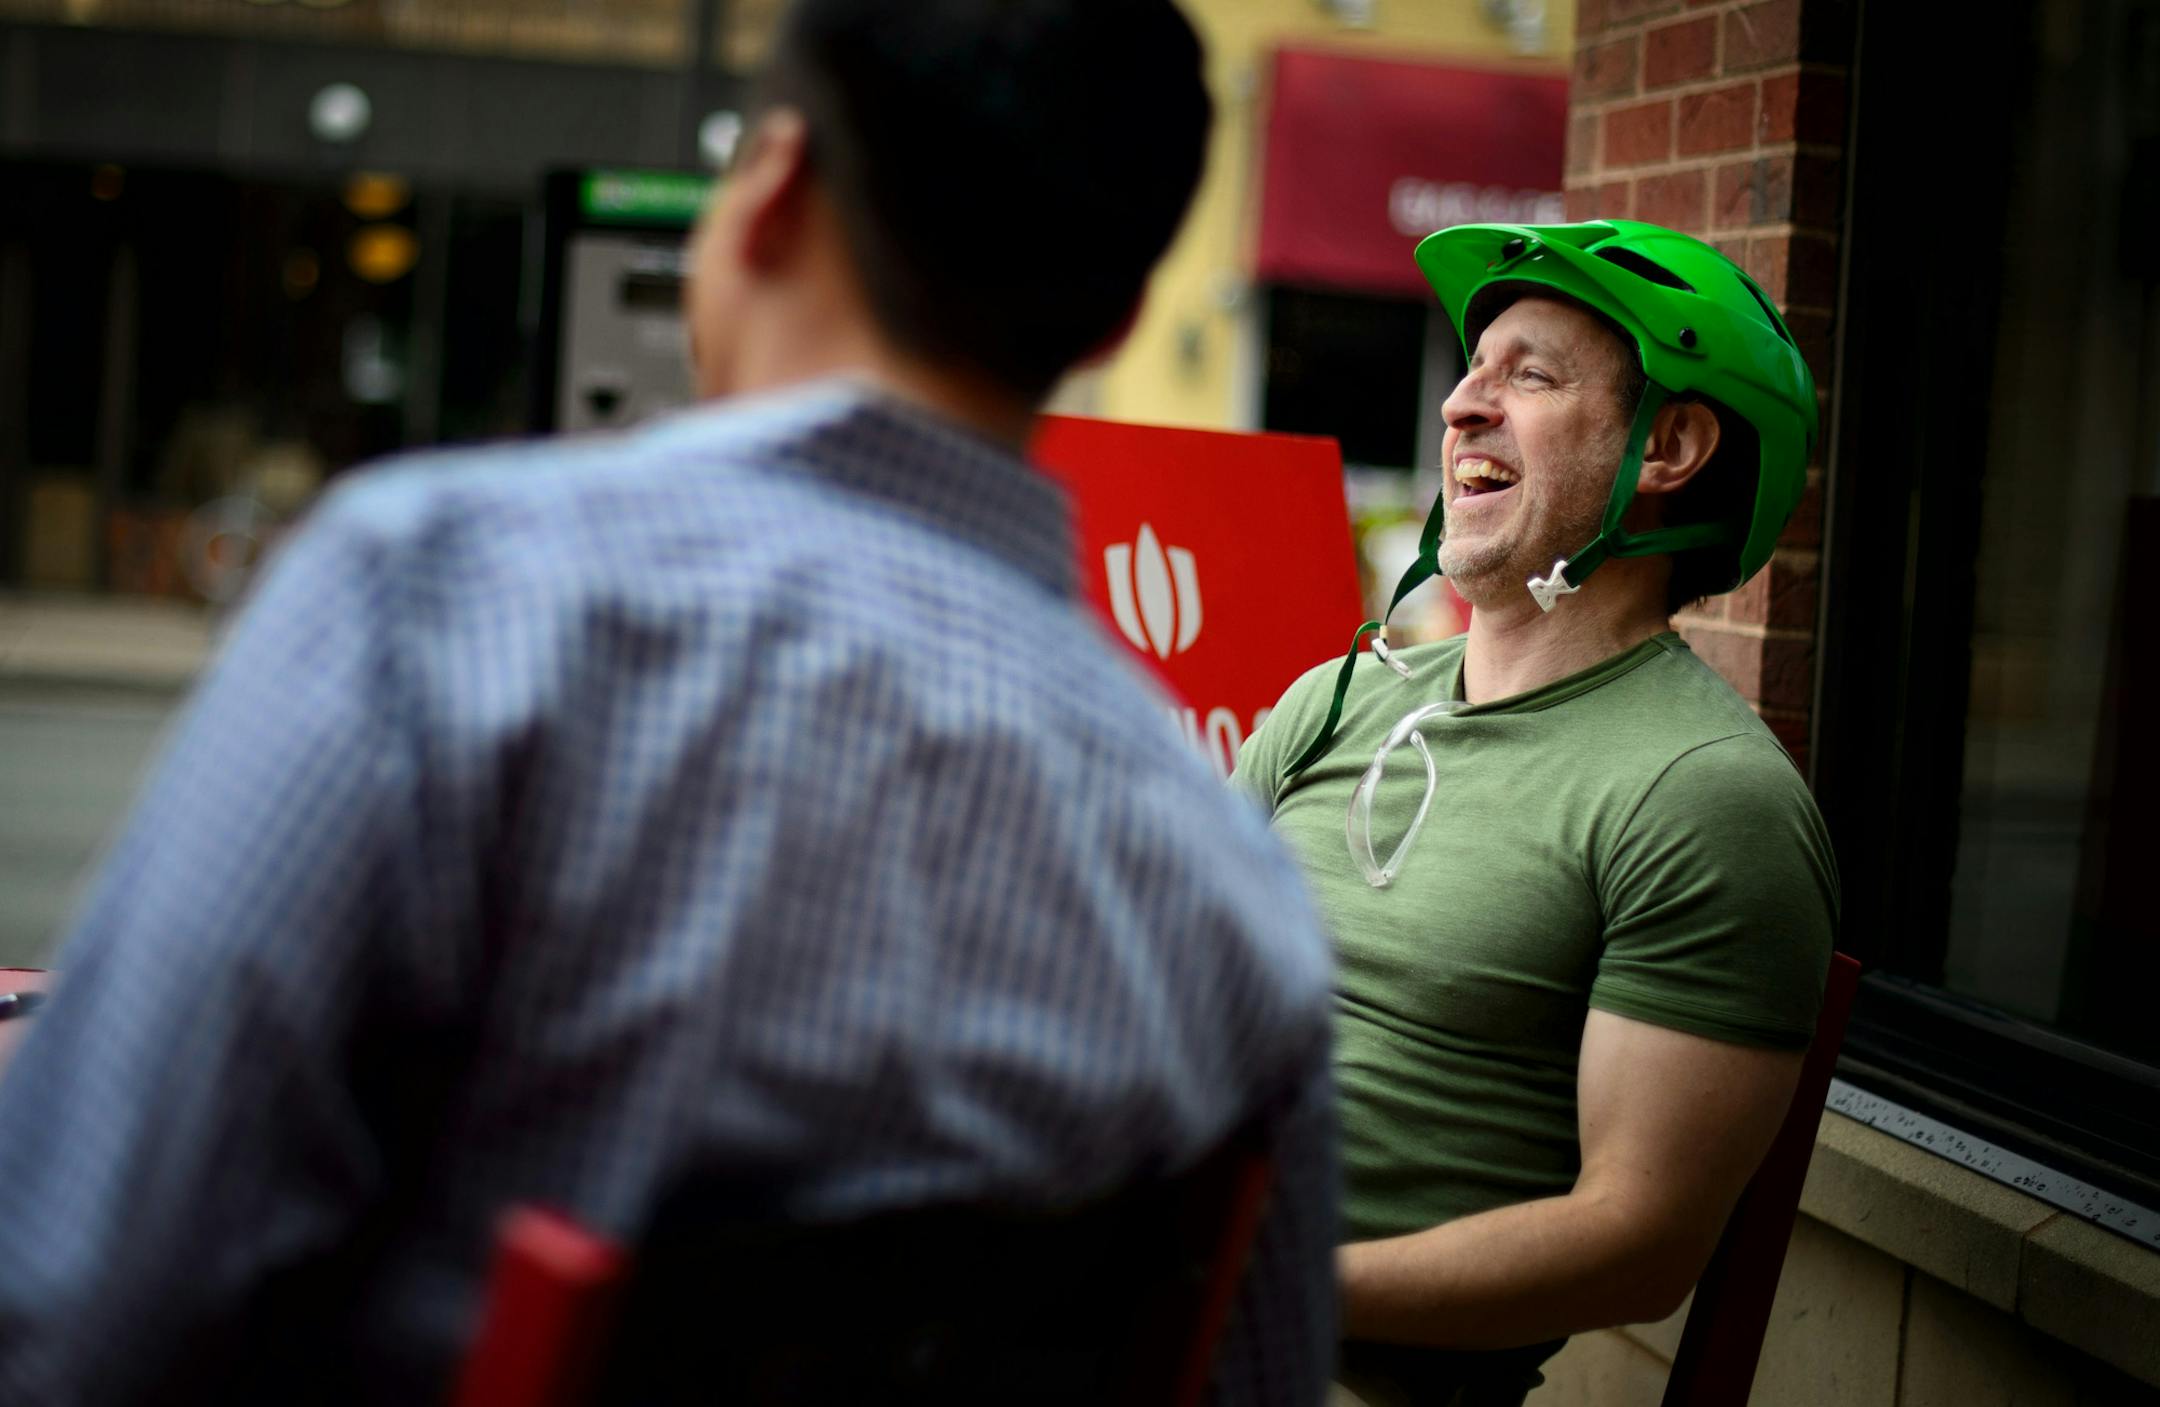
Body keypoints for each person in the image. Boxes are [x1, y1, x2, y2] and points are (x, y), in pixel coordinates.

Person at [0, 3, 1339, 1401]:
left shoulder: (433, 595)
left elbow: (69, 1301)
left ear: (769, 188)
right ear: (1115, 312)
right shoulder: (1241, 907)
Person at [1231, 219, 1837, 1406]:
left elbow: (1640, 1241)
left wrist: (1268, 1280)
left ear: (1669, 446)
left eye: (1530, 374)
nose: (1461, 404)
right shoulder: (1337, 698)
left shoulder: (1704, 794)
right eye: (1472, 367)